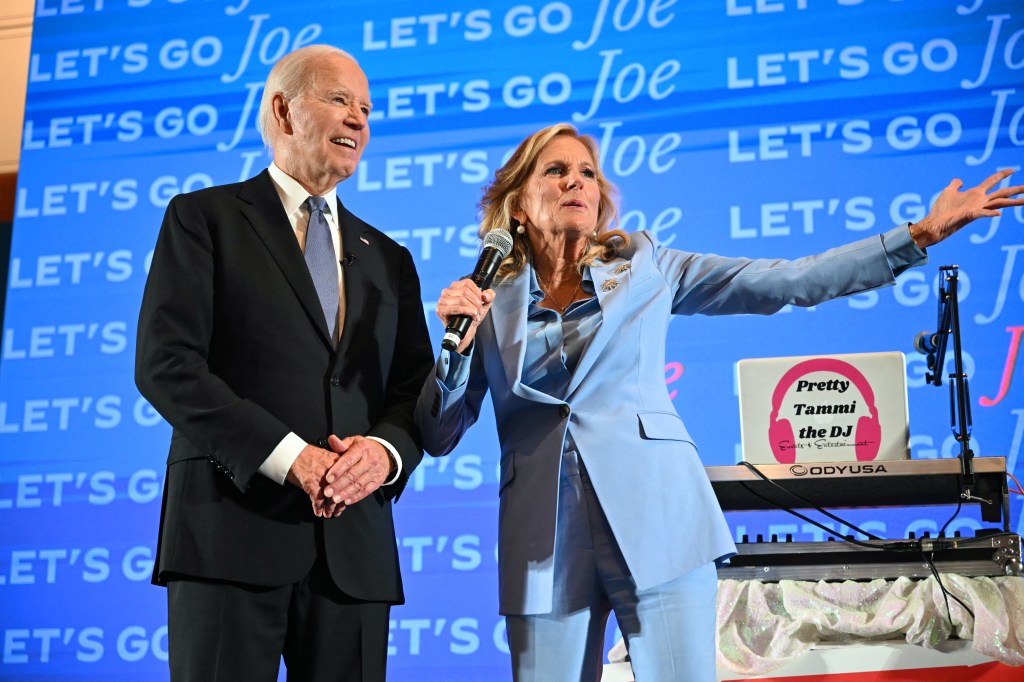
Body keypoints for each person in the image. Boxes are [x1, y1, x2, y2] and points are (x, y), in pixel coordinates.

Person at [414, 122, 1024, 681]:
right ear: (517, 204)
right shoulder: (485, 299)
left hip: (660, 521)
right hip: (541, 541)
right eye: (556, 171)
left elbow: (787, 281)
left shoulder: (647, 264)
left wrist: (917, 236)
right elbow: (439, 434)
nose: (577, 180)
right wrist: (457, 350)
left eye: (588, 172)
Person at [135, 44, 434, 681]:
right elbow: (167, 364)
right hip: (228, 534)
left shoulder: (388, 258)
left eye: (366, 109)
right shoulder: (204, 219)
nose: (359, 119)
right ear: (283, 109)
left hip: (352, 553)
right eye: (339, 100)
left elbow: (415, 392)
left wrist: (382, 455)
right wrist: (291, 455)